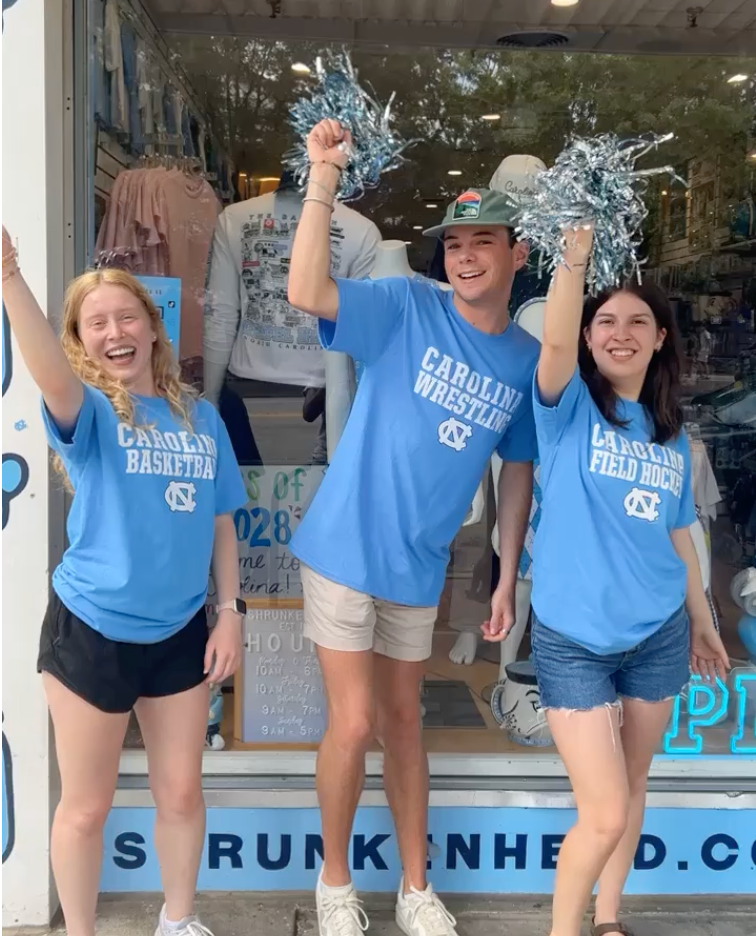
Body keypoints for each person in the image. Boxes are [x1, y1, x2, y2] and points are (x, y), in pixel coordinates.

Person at [287, 120, 539, 936]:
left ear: (518, 253)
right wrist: (322, 177)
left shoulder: (523, 363)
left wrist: (504, 575)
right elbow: (306, 292)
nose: (465, 256)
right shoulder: (405, 306)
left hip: (418, 564)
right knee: (354, 722)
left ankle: (415, 886)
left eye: (484, 242)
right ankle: (334, 883)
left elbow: (519, 472)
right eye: (455, 243)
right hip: (342, 548)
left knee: (404, 722)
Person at [2, 228, 248, 936]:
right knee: (86, 804)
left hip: (178, 633)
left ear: (152, 326)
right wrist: (10, 273)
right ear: (82, 339)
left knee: (181, 792)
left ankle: (178, 919)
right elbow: (48, 371)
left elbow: (223, 518)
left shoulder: (200, 417)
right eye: (96, 322)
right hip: (93, 631)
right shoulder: (89, 412)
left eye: (127, 316)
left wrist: (228, 610)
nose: (116, 332)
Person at [532, 223, 729, 936]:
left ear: (659, 339)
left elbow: (681, 536)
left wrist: (703, 621)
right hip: (574, 639)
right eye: (605, 321)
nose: (620, 333)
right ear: (589, 338)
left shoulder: (670, 431)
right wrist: (574, 258)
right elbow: (552, 343)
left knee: (634, 784)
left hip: (658, 634)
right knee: (605, 807)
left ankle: (608, 918)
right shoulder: (566, 410)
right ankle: (564, 930)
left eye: (637, 322)